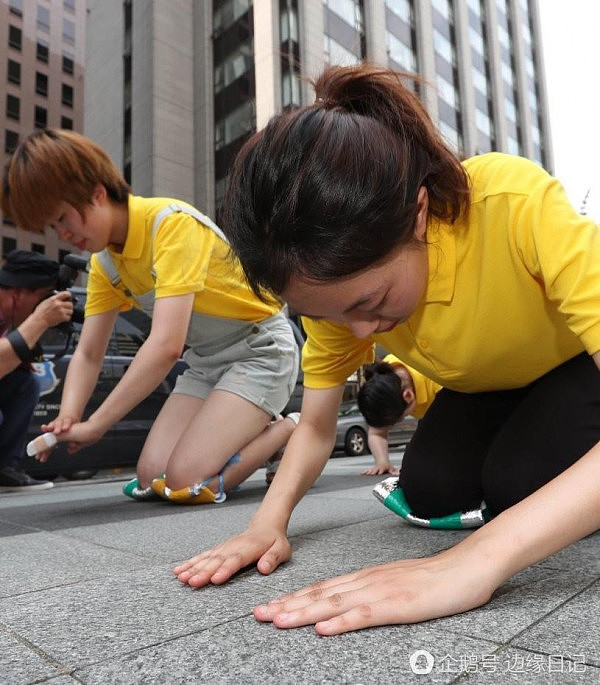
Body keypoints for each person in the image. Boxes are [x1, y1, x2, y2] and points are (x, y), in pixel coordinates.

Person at [172, 63, 600, 635]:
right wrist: (266, 523)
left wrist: (476, 562)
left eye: (370, 302)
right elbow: (318, 427)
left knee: (517, 486)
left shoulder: (510, 202)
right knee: (428, 490)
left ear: (419, 214)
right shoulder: (333, 301)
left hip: (577, 364)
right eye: (330, 314)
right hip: (484, 386)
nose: (357, 334)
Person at [1, 129, 299, 504]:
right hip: (206, 364)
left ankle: (290, 428)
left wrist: (98, 425)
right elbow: (89, 353)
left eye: (63, 218)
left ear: (96, 193)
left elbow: (165, 347)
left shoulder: (171, 225)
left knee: (185, 482)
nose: (62, 234)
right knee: (150, 474)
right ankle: (255, 428)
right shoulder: (104, 264)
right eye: (52, 227)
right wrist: (69, 418)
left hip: (260, 351)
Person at [0, 250, 74, 491]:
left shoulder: (7, 317)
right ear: (19, 293)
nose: (47, 306)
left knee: (24, 381)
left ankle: (5, 469)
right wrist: (40, 320)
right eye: (44, 299)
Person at [357, 355, 423, 476]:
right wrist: (382, 461)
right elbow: (377, 432)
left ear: (408, 396)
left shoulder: (437, 385)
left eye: (398, 419)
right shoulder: (383, 376)